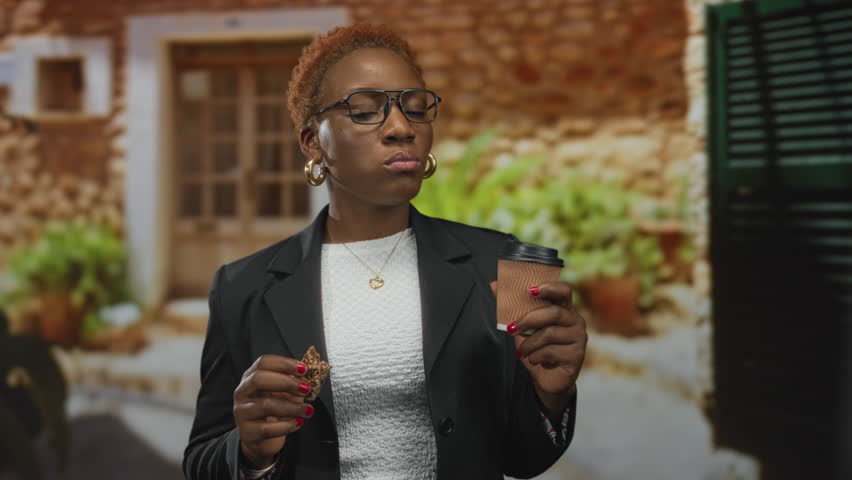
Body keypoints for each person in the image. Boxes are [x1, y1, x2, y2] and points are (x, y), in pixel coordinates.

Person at [183, 24, 587, 480]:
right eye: (365, 111)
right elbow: (201, 460)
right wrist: (250, 451)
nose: (401, 128)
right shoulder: (243, 287)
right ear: (313, 142)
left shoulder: (501, 264)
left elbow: (524, 459)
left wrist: (552, 396)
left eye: (416, 109)